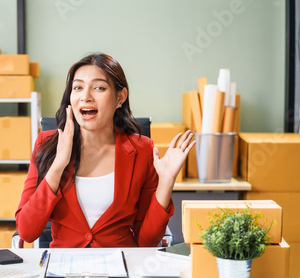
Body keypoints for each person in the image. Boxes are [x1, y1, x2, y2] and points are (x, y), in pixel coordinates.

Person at [15, 53, 195, 248]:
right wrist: (58, 165)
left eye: (99, 88)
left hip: (123, 267)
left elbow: (147, 242)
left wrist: (166, 182)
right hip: (63, 269)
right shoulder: (46, 144)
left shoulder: (142, 150)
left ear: (120, 96)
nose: (86, 97)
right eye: (78, 88)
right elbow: (27, 231)